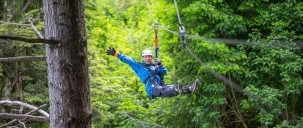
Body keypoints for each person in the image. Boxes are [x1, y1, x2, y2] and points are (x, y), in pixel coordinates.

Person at [106, 47, 200, 99]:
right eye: (146, 57)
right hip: (151, 88)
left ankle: (191, 88)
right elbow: (129, 60)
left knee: (172, 87)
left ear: (151, 57)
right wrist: (116, 54)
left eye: (149, 57)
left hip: (161, 85)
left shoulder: (155, 66)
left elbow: (164, 72)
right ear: (143, 57)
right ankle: (177, 90)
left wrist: (159, 64)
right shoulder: (139, 67)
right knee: (167, 90)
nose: (148, 58)